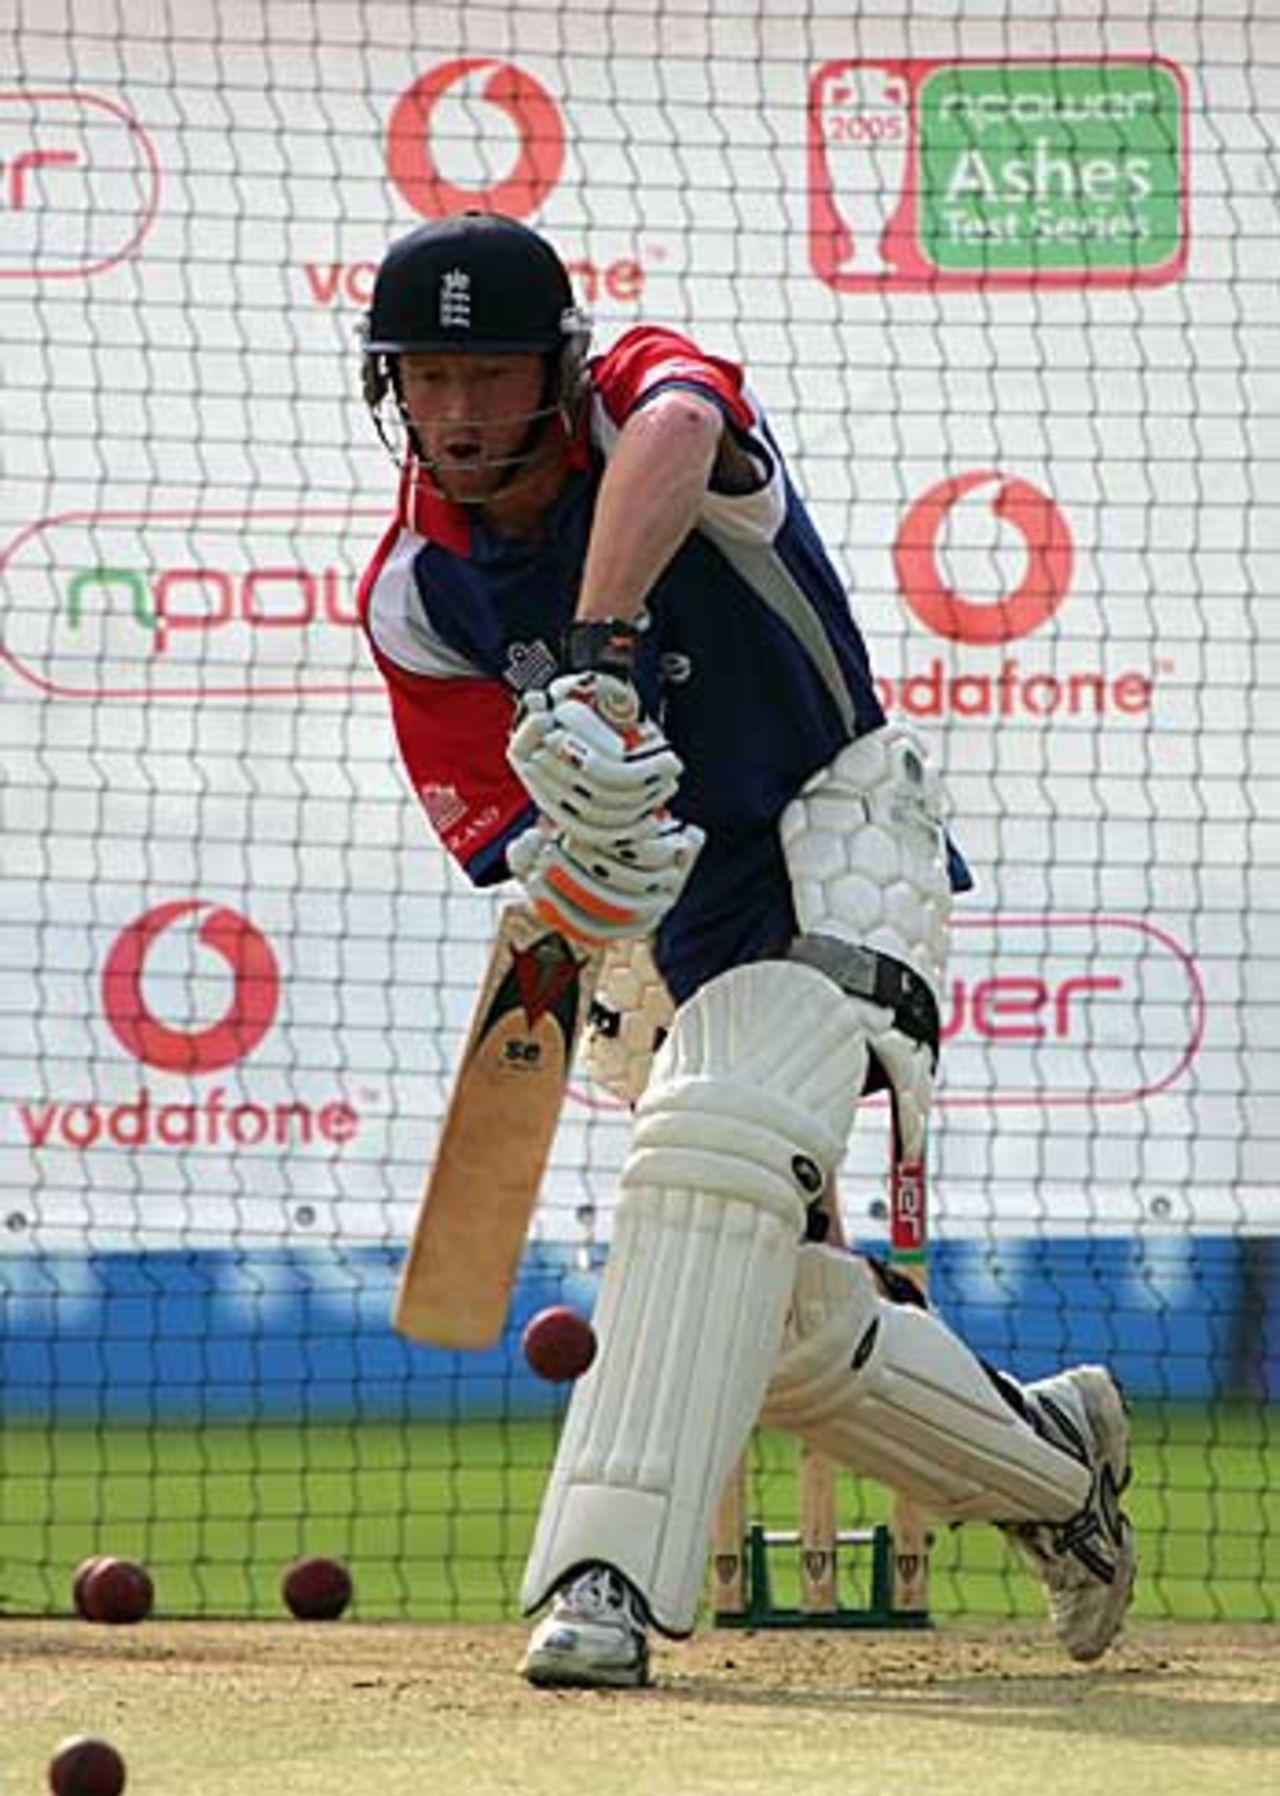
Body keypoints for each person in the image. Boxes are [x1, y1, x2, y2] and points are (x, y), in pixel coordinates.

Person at [357, 209, 1137, 1689]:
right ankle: (1056, 1467)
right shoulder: (415, 594)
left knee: (706, 1147)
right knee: (766, 1324)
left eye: (491, 373)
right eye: (427, 378)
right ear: (390, 385)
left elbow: (682, 419)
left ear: (557, 365)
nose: (458, 413)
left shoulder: (644, 411)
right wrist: (582, 866)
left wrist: (594, 653)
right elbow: (521, 853)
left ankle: (606, 1579)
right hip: (687, 917)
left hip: (840, 833)